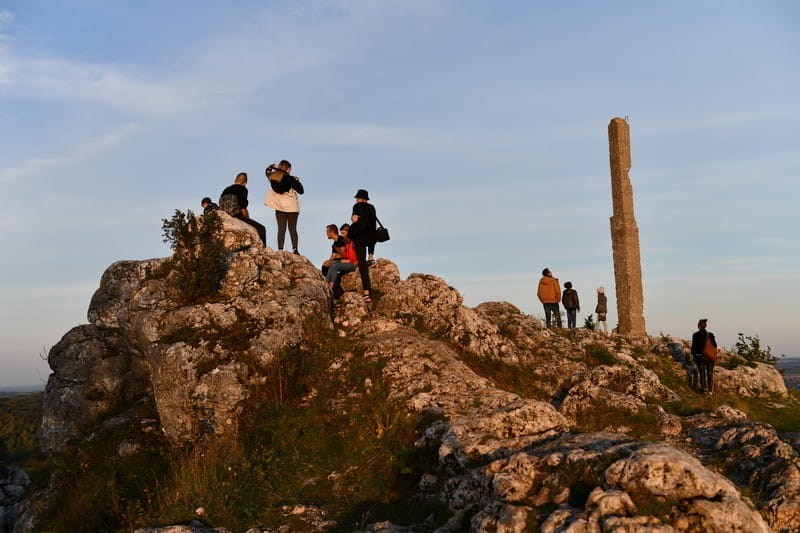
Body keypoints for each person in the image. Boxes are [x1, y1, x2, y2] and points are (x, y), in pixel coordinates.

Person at [264, 160, 304, 254]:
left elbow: (267, 173)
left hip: (279, 206)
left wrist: (269, 168)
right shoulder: (291, 179)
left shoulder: (273, 178)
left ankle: (280, 250)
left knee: (281, 229)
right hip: (292, 207)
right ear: (288, 169)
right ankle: (295, 249)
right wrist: (297, 181)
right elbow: (301, 191)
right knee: (292, 229)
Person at [218, 172, 267, 246]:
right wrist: (247, 219)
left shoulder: (225, 190)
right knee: (261, 228)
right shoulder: (243, 189)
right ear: (245, 183)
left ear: (235, 180)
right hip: (235, 215)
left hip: (223, 215)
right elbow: (243, 208)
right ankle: (263, 248)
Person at [349, 189, 377, 302]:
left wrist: (354, 218)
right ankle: (371, 259)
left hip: (360, 238)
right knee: (367, 259)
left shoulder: (357, 206)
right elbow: (373, 225)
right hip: (371, 237)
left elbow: (354, 219)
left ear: (360, 198)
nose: (356, 200)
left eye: (357, 198)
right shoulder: (372, 208)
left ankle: (366, 293)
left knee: (362, 265)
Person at [691, 319, 717, 394]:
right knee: (710, 373)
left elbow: (694, 348)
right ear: (705, 326)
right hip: (709, 357)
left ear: (699, 325)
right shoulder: (710, 335)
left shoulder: (695, 335)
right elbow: (715, 345)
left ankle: (704, 390)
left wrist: (694, 357)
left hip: (700, 357)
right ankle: (710, 391)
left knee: (702, 374)